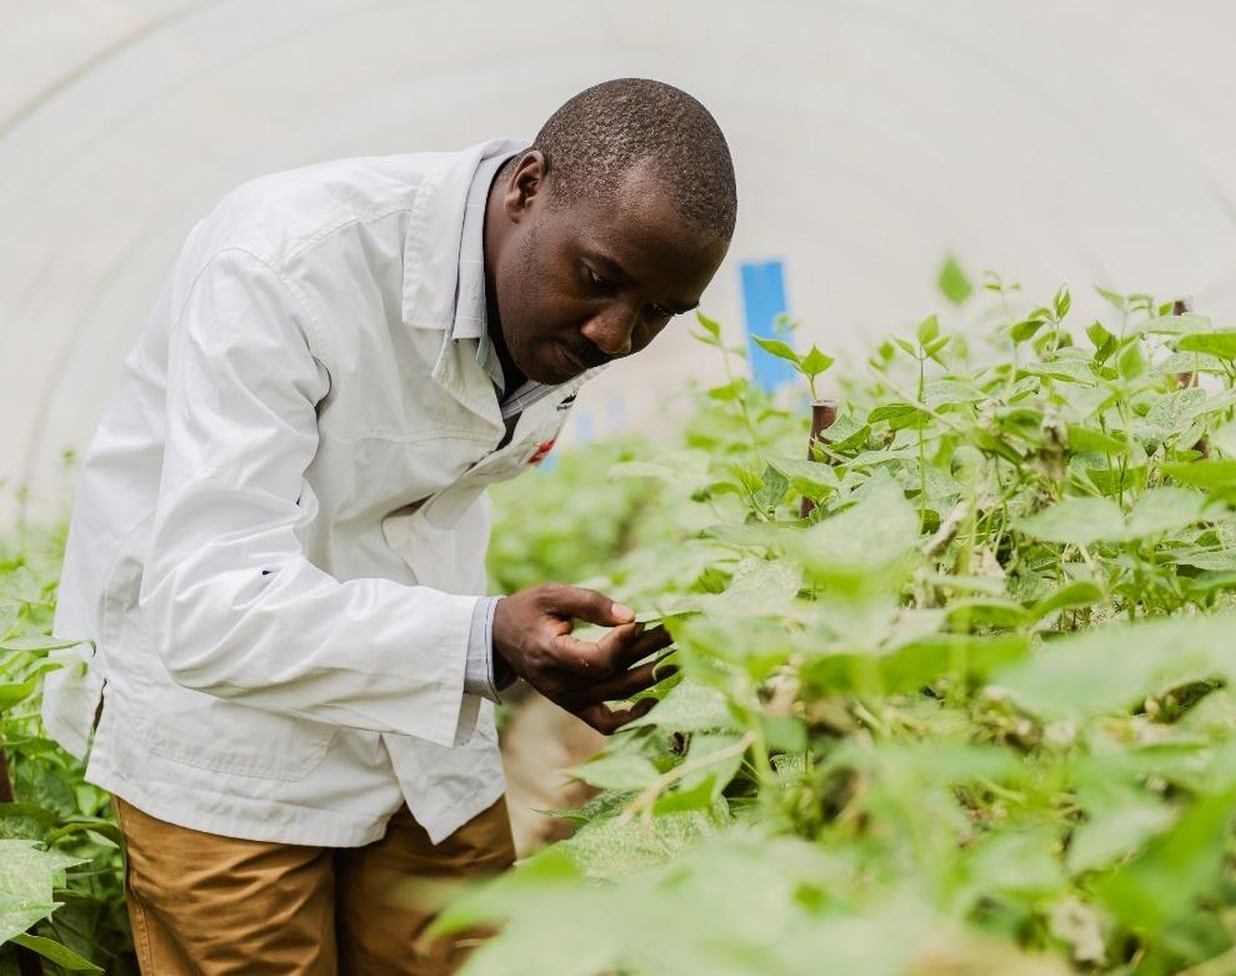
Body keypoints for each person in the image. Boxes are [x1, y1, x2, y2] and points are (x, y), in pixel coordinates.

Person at [43, 78, 736, 974]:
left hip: (421, 728)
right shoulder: (284, 260)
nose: (614, 334)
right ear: (527, 187)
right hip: (226, 745)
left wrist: (504, 651)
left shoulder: (563, 296)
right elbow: (207, 605)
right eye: (601, 282)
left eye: (657, 316)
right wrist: (485, 640)